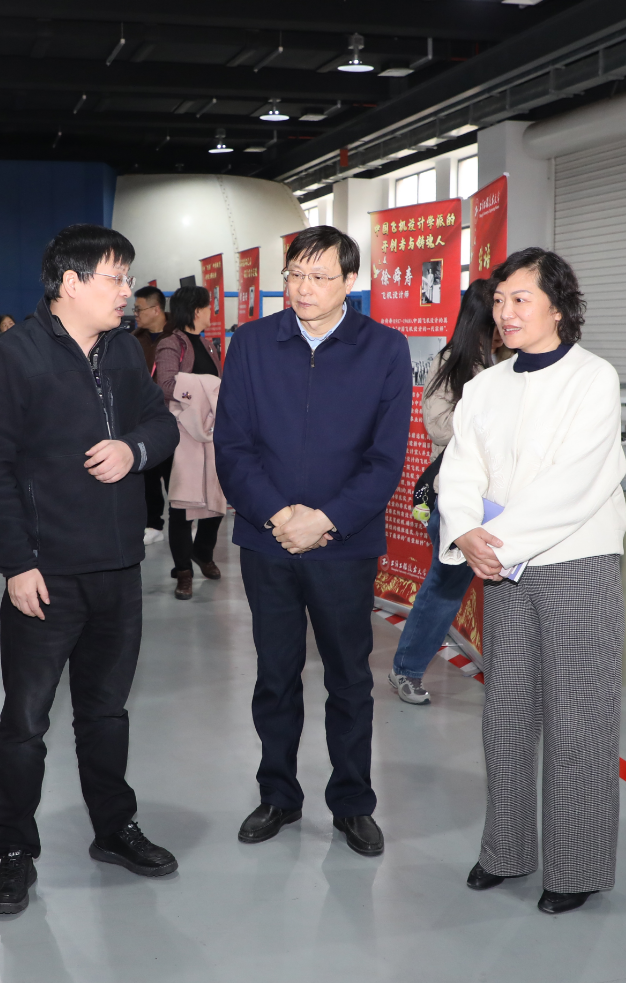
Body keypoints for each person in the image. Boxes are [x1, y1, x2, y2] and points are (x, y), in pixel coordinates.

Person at [0, 224, 181, 917]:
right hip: (47, 576)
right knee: (25, 723)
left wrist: (133, 449)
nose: (128, 292)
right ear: (71, 283)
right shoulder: (13, 358)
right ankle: (14, 852)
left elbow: (162, 424)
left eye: (128, 279)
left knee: (106, 713)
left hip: (119, 569)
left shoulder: (122, 351)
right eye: (117, 278)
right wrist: (17, 564)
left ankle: (114, 828)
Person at [437, 247, 626, 915]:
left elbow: (579, 480)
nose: (506, 312)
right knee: (505, 715)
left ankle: (575, 867)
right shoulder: (487, 386)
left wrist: (497, 544)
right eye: (499, 300)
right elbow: (461, 467)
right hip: (500, 567)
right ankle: (506, 850)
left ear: (558, 307)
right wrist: (465, 530)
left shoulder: (593, 378)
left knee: (579, 719)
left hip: (574, 561)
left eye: (521, 298)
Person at [215, 226, 412, 857]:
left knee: (349, 678)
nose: (304, 288)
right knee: (274, 674)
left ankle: (352, 803)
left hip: (344, 546)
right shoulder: (252, 343)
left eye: (320, 277)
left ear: (350, 281)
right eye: (295, 274)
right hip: (267, 541)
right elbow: (232, 446)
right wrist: (279, 516)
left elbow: (385, 459)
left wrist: (325, 520)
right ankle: (278, 794)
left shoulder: (384, 348)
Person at [387, 280, 511, 705]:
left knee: (508, 592)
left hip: (505, 501)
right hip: (460, 498)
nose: (507, 322)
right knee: (443, 589)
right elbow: (437, 426)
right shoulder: (451, 361)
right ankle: (406, 669)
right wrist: (484, 411)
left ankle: (513, 679)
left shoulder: (511, 362)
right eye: (499, 313)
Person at [154, 285, 223, 601]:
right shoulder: (171, 343)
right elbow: (166, 385)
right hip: (181, 437)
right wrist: (207, 387)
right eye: (209, 307)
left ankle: (202, 552)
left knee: (216, 497)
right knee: (181, 506)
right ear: (197, 310)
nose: (212, 312)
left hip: (209, 434)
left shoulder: (208, 344)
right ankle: (183, 571)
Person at [134, 286, 171, 545]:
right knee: (148, 473)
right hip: (142, 417)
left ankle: (185, 522)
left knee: (175, 475)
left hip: (173, 417)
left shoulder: (177, 337)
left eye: (139, 309)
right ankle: (153, 523)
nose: (135, 314)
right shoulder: (133, 340)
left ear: (156, 309)